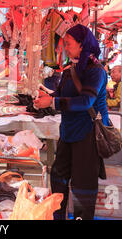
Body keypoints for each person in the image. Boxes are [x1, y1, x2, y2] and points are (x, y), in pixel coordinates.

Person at [33, 24, 108, 220]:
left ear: (82, 45)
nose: (65, 47)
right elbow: (59, 95)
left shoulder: (96, 71)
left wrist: (53, 101)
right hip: (68, 132)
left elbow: (86, 101)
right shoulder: (71, 68)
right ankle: (58, 216)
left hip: (88, 133)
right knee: (58, 176)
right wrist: (45, 97)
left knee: (83, 184)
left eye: (68, 44)